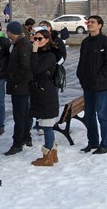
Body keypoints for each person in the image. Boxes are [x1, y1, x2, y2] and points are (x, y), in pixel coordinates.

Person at [77, 15, 107, 154]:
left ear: (100, 25)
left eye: (93, 22)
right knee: (89, 115)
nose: (89, 24)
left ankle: (105, 145)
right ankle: (93, 142)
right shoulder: (86, 42)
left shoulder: (106, 42)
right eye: (88, 22)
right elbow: (82, 61)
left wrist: (99, 78)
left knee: (102, 116)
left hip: (102, 86)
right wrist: (80, 75)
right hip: (87, 86)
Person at [29, 29, 59, 166]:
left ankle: (48, 155)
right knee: (45, 123)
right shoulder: (41, 54)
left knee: (47, 125)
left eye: (39, 39)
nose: (36, 41)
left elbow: (35, 69)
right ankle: (52, 154)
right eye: (35, 38)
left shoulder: (49, 55)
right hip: (40, 92)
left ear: (47, 40)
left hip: (46, 93)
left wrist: (34, 52)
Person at [4, 21, 33, 156]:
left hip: (20, 86)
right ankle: (26, 137)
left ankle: (18, 143)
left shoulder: (22, 45)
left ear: (11, 32)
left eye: (8, 31)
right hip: (20, 85)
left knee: (20, 115)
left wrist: (14, 80)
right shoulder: (19, 44)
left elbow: (24, 66)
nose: (6, 33)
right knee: (24, 113)